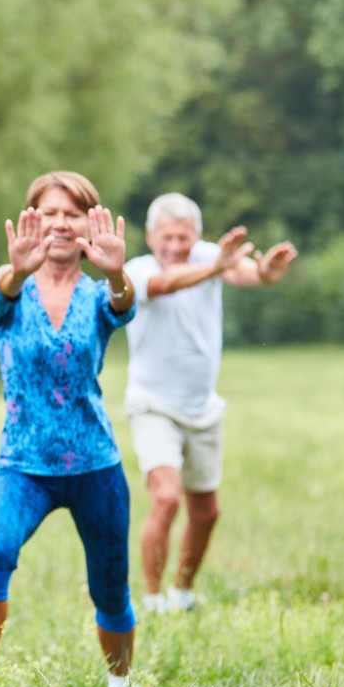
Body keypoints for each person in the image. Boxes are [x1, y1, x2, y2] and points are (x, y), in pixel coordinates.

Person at [0, 171, 159, 687]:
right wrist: (16, 269)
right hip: (23, 463)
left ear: (90, 224)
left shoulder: (99, 295)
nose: (59, 223)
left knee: (110, 586)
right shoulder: (5, 288)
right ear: (30, 220)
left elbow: (124, 305)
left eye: (72, 213)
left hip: (95, 463)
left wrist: (117, 270)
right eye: (48, 212)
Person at [123, 192, 297, 614]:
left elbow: (245, 274)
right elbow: (166, 284)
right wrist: (214, 265)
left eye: (184, 237)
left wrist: (267, 275)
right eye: (166, 237)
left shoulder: (208, 256)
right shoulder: (136, 270)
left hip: (202, 407)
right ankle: (152, 599)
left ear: (196, 235)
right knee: (166, 498)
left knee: (206, 511)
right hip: (152, 403)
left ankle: (182, 592)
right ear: (150, 236)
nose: (175, 246)